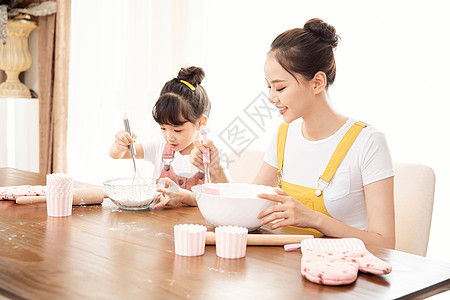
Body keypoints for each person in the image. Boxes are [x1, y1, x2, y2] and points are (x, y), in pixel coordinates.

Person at [191, 19, 395, 249]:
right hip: (289, 271)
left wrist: (314, 219)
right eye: (268, 86)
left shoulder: (368, 142)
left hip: (348, 276)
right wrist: (216, 168)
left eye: (280, 88)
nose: (271, 97)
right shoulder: (284, 134)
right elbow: (251, 205)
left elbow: (385, 244)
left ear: (317, 82)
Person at [109, 66, 211, 209]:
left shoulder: (210, 156)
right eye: (163, 128)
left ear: (201, 123)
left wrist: (186, 197)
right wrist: (119, 145)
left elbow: (220, 198)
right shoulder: (160, 148)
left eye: (177, 130)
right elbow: (117, 155)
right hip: (159, 224)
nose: (169, 137)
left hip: (194, 228)